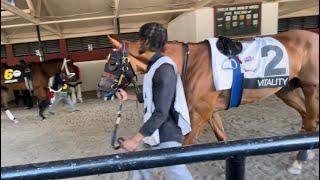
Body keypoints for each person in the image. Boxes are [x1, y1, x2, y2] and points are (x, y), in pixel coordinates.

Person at [116, 22, 193, 180]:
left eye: (140, 40)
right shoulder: (155, 66)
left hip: (166, 137)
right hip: (155, 135)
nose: (138, 43)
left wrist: (135, 139)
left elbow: (161, 112)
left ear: (145, 42)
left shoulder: (163, 69)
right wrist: (129, 97)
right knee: (140, 170)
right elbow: (154, 97)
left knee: (181, 177)